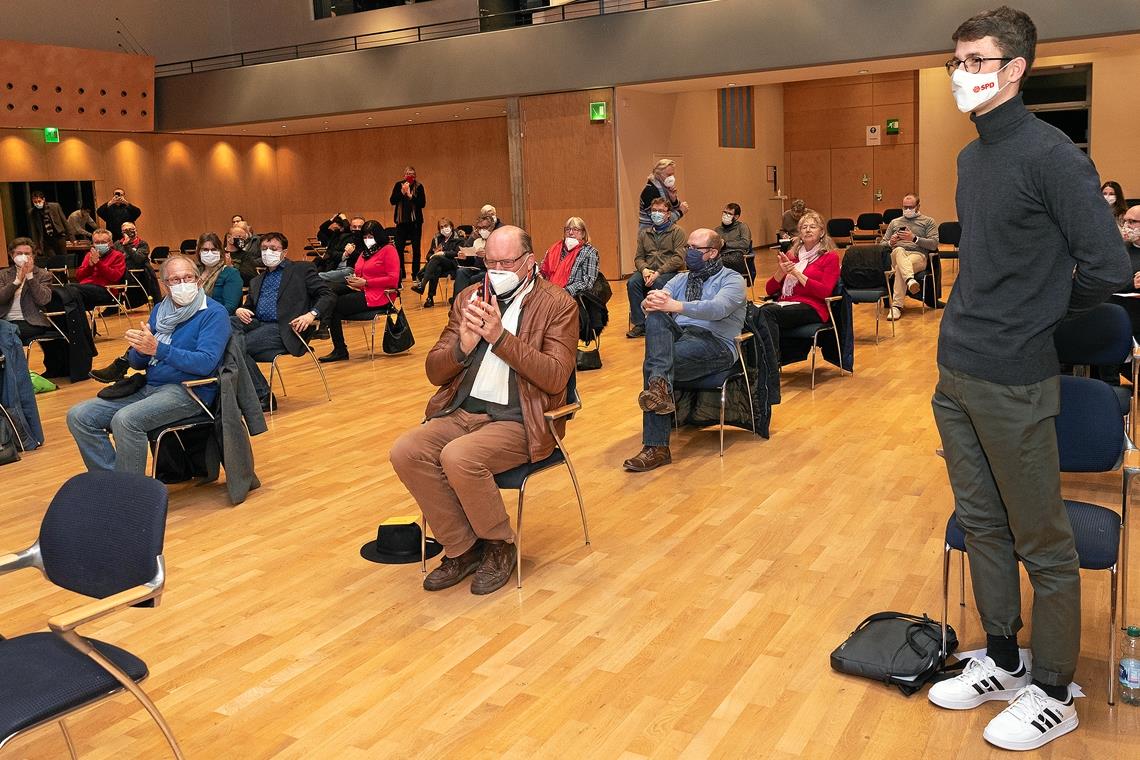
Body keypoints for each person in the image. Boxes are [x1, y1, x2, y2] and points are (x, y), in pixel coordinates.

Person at [926, 8, 1131, 752]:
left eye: (974, 59)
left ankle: (1052, 689)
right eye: (954, 61)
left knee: (1042, 541)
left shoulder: (1051, 155)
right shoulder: (972, 158)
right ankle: (1005, 659)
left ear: (1013, 69)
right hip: (958, 371)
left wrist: (1037, 318)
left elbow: (1110, 267)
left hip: (1016, 378)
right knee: (982, 523)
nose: (961, 73)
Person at [389, 226, 577, 595]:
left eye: (506, 261)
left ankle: (499, 546)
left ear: (529, 262)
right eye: (490, 261)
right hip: (462, 412)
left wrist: (501, 339)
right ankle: (463, 548)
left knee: (459, 457)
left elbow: (556, 378)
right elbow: (434, 371)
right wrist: (462, 347)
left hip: (521, 419)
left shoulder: (557, 304)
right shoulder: (469, 299)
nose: (497, 268)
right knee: (406, 451)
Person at [66, 255, 230, 474]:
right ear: (165, 285)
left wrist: (157, 349)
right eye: (175, 280)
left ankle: (130, 494)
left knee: (126, 420)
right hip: (150, 387)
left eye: (187, 277)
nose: (182, 284)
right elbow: (137, 362)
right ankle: (112, 483)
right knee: (79, 415)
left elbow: (205, 363)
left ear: (198, 281)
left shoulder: (213, 313)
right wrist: (139, 349)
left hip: (189, 391)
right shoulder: (161, 311)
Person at [623, 228, 746, 472]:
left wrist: (675, 305)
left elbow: (717, 309)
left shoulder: (732, 279)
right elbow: (660, 297)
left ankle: (656, 446)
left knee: (655, 365)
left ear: (711, 252)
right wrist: (650, 302)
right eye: (687, 246)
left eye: (693, 249)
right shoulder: (681, 279)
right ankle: (660, 390)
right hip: (683, 339)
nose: (687, 252)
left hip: (716, 343)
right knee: (657, 320)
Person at [232, 231, 334, 411]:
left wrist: (311, 314)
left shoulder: (301, 270)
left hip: (285, 327)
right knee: (228, 325)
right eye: (264, 248)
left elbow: (327, 295)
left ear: (284, 252)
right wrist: (241, 309)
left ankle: (263, 395)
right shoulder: (257, 280)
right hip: (258, 323)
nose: (268, 252)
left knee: (235, 347)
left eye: (273, 248)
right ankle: (249, 393)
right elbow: (250, 307)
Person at [760, 209, 840, 359]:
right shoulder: (792, 255)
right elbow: (769, 289)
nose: (808, 230)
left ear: (822, 232)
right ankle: (761, 362)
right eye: (804, 227)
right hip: (786, 304)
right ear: (799, 233)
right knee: (752, 312)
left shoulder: (830, 257)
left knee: (766, 313)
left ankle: (771, 361)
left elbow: (825, 292)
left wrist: (797, 274)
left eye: (813, 226)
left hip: (813, 307)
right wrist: (781, 272)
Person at [319, 221, 401, 363]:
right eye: (365, 236)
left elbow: (393, 279)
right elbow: (359, 272)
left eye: (370, 236)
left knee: (335, 305)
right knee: (329, 290)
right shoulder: (365, 252)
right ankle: (326, 330)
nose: (367, 239)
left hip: (380, 294)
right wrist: (356, 280)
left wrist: (367, 282)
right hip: (361, 288)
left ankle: (331, 337)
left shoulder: (389, 250)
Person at [626, 197, 686, 338]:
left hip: (670, 272)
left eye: (660, 210)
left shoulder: (677, 232)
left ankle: (657, 322)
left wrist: (659, 272)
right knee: (632, 282)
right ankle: (640, 324)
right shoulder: (644, 233)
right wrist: (644, 270)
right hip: (648, 271)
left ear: (668, 213)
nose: (656, 213)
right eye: (654, 210)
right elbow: (639, 257)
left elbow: (678, 258)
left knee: (658, 283)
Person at [880, 194, 939, 320]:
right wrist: (891, 242)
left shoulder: (928, 221)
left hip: (918, 256)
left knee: (900, 269)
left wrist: (914, 238)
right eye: (905, 207)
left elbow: (934, 244)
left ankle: (896, 307)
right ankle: (910, 281)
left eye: (910, 207)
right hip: (897, 254)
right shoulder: (895, 222)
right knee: (899, 250)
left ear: (918, 206)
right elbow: (881, 244)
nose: (907, 210)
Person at [0, 237, 54, 344]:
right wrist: (16, 281)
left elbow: (43, 300)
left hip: (31, 321)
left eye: (27, 253)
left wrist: (30, 276)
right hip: (4, 320)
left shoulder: (43, 274)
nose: (23, 257)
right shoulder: (3, 274)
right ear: (12, 255)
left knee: (8, 334)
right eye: (19, 253)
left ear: (33, 256)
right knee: (7, 332)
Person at [411, 217, 463, 307]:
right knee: (436, 268)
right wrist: (433, 255)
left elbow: (457, 253)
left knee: (436, 259)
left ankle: (422, 284)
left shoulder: (458, 237)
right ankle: (429, 298)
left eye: (446, 226)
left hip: (453, 264)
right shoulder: (437, 239)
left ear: (451, 226)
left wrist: (443, 253)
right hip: (439, 266)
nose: (444, 229)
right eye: (441, 227)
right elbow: (428, 255)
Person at [74, 228, 126, 311]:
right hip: (85, 288)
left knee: (71, 291)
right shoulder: (89, 255)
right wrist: (90, 266)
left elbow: (115, 276)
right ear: (93, 244)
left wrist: (98, 263)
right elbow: (78, 276)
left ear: (111, 243)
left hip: (106, 290)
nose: (100, 244)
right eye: (97, 242)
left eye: (103, 242)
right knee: (66, 293)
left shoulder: (118, 256)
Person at [390, 166, 427, 279]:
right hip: (401, 223)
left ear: (415, 176)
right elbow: (392, 201)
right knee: (399, 249)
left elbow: (422, 203)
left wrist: (411, 196)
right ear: (404, 175)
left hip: (415, 223)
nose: (409, 175)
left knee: (416, 249)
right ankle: (401, 274)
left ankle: (415, 274)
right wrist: (402, 192)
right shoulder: (398, 185)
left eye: (412, 173)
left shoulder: (419, 186)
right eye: (407, 173)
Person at [452, 213, 495, 299]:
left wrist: (486, 256)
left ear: (492, 227)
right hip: (477, 268)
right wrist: (465, 258)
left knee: (474, 278)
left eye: (485, 227)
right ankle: (456, 302)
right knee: (461, 272)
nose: (482, 230)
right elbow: (472, 262)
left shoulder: (496, 240)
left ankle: (467, 300)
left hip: (490, 270)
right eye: (479, 228)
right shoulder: (477, 241)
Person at [197, 233, 243, 314]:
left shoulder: (230, 273)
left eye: (214, 249)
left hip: (216, 317)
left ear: (220, 252)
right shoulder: (195, 273)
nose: (209, 253)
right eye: (205, 250)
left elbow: (230, 307)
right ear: (199, 252)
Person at [638, 159, 688, 229]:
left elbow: (670, 209)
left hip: (664, 233)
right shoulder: (650, 191)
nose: (671, 178)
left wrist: (674, 200)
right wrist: (680, 212)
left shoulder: (665, 187)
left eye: (673, 174)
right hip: (651, 236)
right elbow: (659, 220)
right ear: (658, 174)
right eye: (668, 175)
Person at [27, 191, 68, 262]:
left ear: (43, 199)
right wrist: (37, 246)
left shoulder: (55, 206)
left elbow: (64, 221)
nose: (37, 203)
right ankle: (53, 273)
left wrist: (71, 237)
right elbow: (34, 230)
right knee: (52, 260)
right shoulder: (32, 212)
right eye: (35, 202)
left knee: (63, 259)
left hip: (59, 237)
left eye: (39, 201)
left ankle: (63, 273)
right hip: (46, 240)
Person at [715, 202, 754, 277]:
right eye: (724, 212)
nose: (726, 215)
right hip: (721, 255)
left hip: (737, 255)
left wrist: (725, 244)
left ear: (736, 217)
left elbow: (745, 243)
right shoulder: (717, 230)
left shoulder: (742, 227)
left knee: (714, 263)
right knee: (704, 261)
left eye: (729, 213)